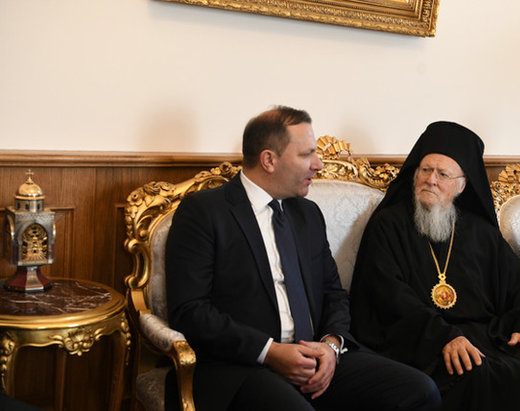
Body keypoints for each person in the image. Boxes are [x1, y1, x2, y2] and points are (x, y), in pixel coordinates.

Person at [164, 106, 441, 411]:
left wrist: (331, 347)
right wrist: (270, 352)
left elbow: (334, 293)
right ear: (269, 160)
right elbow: (190, 311)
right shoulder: (204, 212)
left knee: (419, 391)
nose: (318, 164)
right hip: (243, 367)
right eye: (307, 154)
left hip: (315, 357)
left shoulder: (307, 213)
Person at [350, 121, 520, 411]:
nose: (431, 180)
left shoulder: (480, 231)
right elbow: (388, 294)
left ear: (462, 185)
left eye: (443, 174)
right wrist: (442, 337)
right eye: (425, 170)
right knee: (474, 374)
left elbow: (518, 282)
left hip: (482, 334)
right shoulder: (388, 225)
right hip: (417, 338)